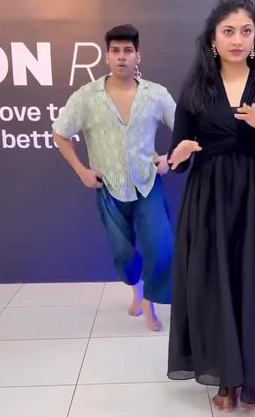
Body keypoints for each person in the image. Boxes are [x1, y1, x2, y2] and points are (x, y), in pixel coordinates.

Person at [167, 0, 255, 410]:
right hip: (207, 201)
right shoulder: (196, 90)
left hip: (254, 201)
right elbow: (178, 157)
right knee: (214, 286)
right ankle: (225, 380)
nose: (237, 39)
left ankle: (253, 380)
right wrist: (177, 157)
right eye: (228, 31)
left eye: (246, 31)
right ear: (213, 39)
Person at [53, 24, 175, 331]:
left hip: (148, 182)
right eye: (115, 51)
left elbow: (185, 130)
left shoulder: (156, 94)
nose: (122, 56)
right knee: (122, 251)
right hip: (108, 186)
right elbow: (60, 134)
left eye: (128, 51)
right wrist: (81, 170)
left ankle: (149, 301)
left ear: (138, 56)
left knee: (162, 246)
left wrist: (170, 159)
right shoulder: (86, 97)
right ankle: (136, 288)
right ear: (107, 57)